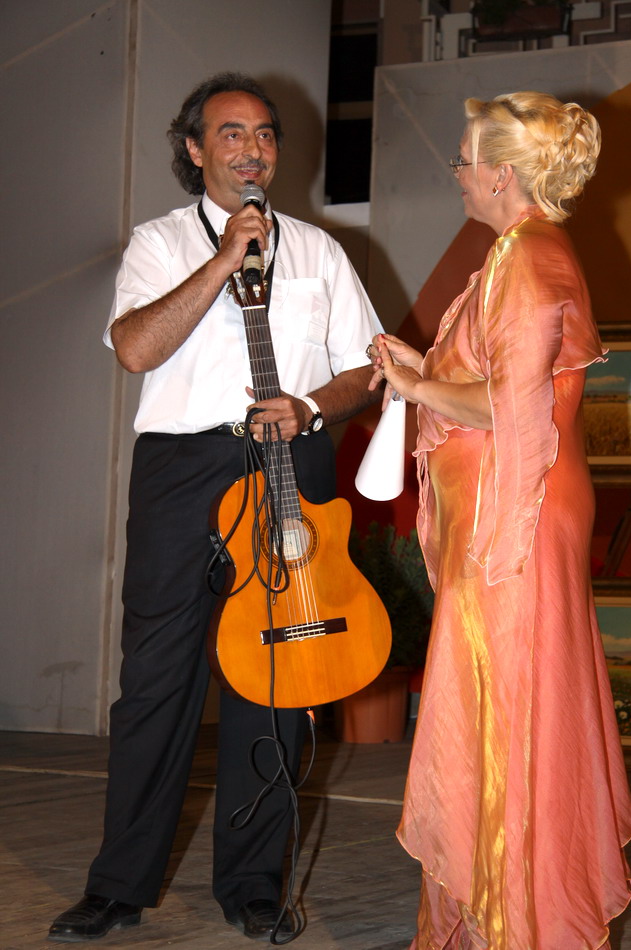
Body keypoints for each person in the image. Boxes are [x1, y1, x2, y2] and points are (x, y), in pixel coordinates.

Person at [48, 72, 382, 943]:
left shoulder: (319, 251)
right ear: (195, 149)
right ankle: (118, 886)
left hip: (289, 456)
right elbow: (134, 348)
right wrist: (224, 259)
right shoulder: (160, 243)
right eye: (232, 134)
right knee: (158, 678)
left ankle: (253, 885)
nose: (253, 150)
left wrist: (311, 406)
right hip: (184, 470)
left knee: (274, 672)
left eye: (265, 134)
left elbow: (365, 369)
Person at [369, 91, 631, 949]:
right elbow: (498, 383)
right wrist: (423, 367)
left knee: (506, 715)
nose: (457, 172)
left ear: (501, 175)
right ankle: (498, 914)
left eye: (464, 158)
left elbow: (512, 409)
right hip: (511, 515)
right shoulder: (521, 253)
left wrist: (418, 386)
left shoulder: (527, 255)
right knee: (508, 713)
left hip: (512, 526)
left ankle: (518, 923)